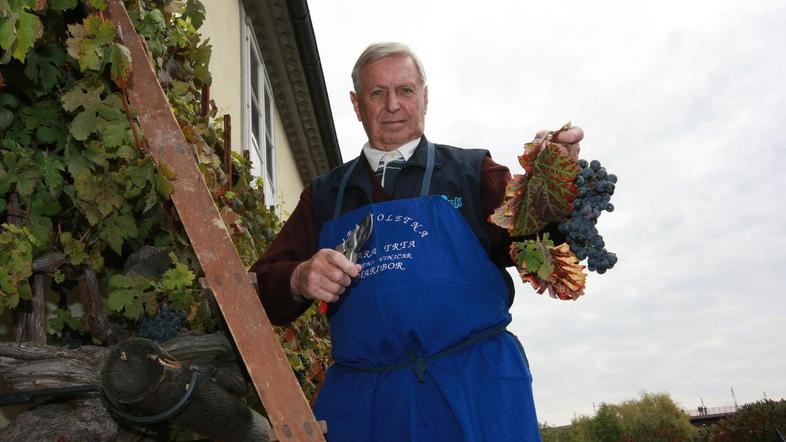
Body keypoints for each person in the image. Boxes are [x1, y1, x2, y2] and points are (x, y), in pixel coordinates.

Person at [251, 42, 583, 442]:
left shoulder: (472, 173)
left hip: (476, 390)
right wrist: (300, 277)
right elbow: (263, 287)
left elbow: (540, 237)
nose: (392, 105)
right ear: (357, 105)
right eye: (377, 93)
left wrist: (552, 180)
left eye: (405, 90)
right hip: (364, 403)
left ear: (425, 97)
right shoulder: (325, 195)